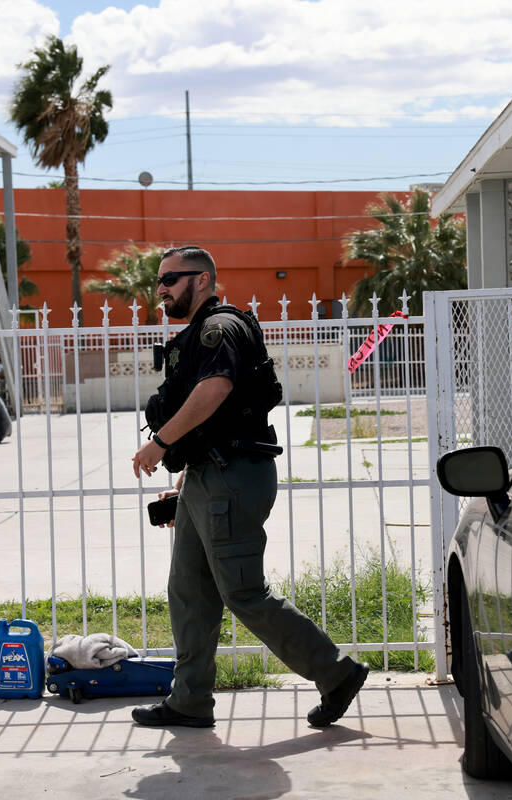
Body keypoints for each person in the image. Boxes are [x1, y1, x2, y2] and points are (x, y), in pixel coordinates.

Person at [130, 245, 368, 729]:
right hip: (209, 474)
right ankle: (189, 701)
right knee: (190, 590)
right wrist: (185, 480)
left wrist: (159, 442)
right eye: (158, 281)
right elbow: (212, 421)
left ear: (201, 280)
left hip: (232, 476)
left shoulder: (220, 328)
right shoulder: (197, 334)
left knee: (244, 593)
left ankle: (336, 673)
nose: (161, 289)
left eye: (171, 279)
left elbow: (214, 390)